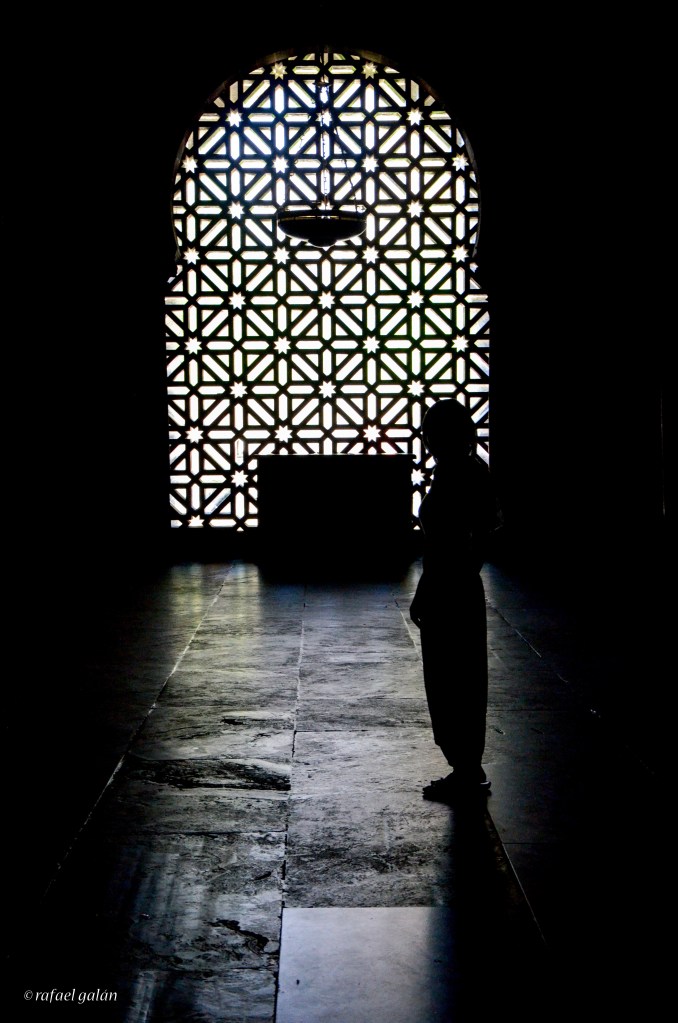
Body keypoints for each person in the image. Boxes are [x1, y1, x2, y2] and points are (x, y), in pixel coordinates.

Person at [409, 399, 499, 801]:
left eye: (433, 433)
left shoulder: (460, 474)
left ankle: (466, 769)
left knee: (453, 681)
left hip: (452, 589)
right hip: (455, 585)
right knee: (456, 680)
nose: (428, 441)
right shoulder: (464, 470)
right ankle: (464, 766)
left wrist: (434, 586)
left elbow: (460, 541)